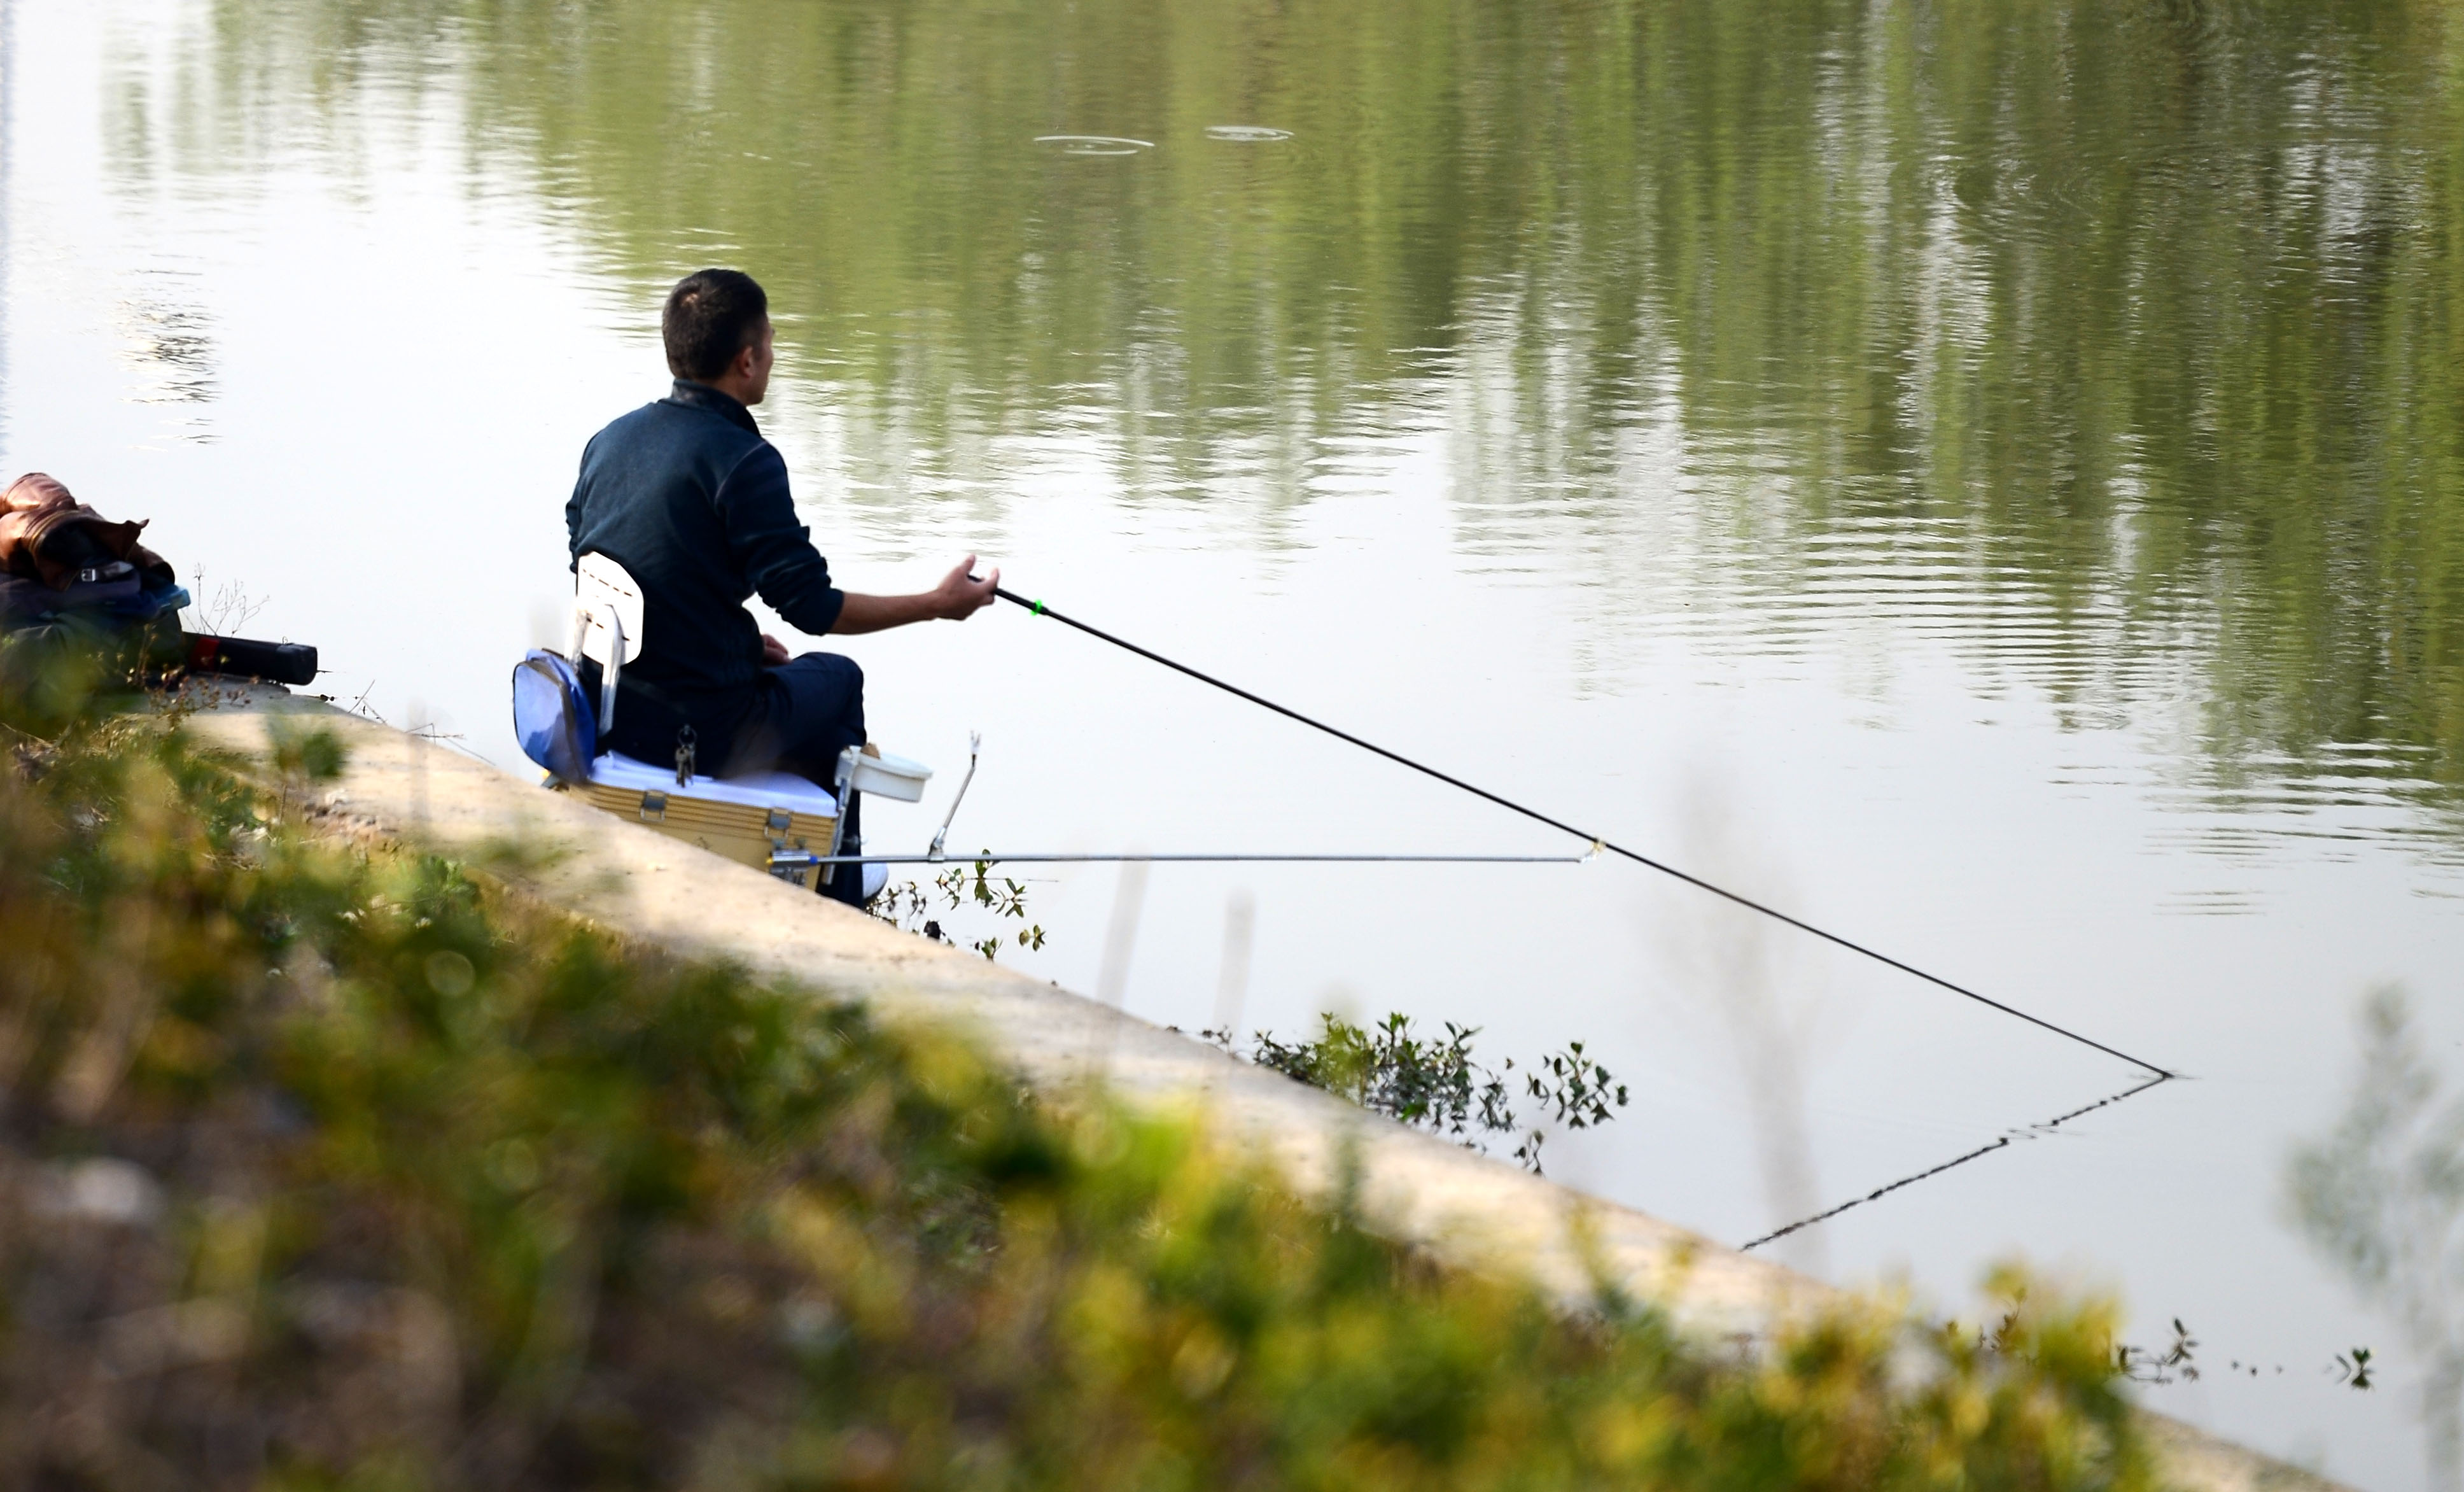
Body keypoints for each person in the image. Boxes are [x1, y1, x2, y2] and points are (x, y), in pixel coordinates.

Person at [566, 268, 997, 904]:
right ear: (746, 361)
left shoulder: (612, 438)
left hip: (608, 711)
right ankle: (836, 893)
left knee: (789, 676)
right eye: (769, 342)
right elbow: (812, 607)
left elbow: (592, 555)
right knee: (837, 678)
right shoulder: (743, 461)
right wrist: (938, 605)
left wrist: (730, 645)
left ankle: (771, 849)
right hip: (692, 731)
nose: (773, 353)